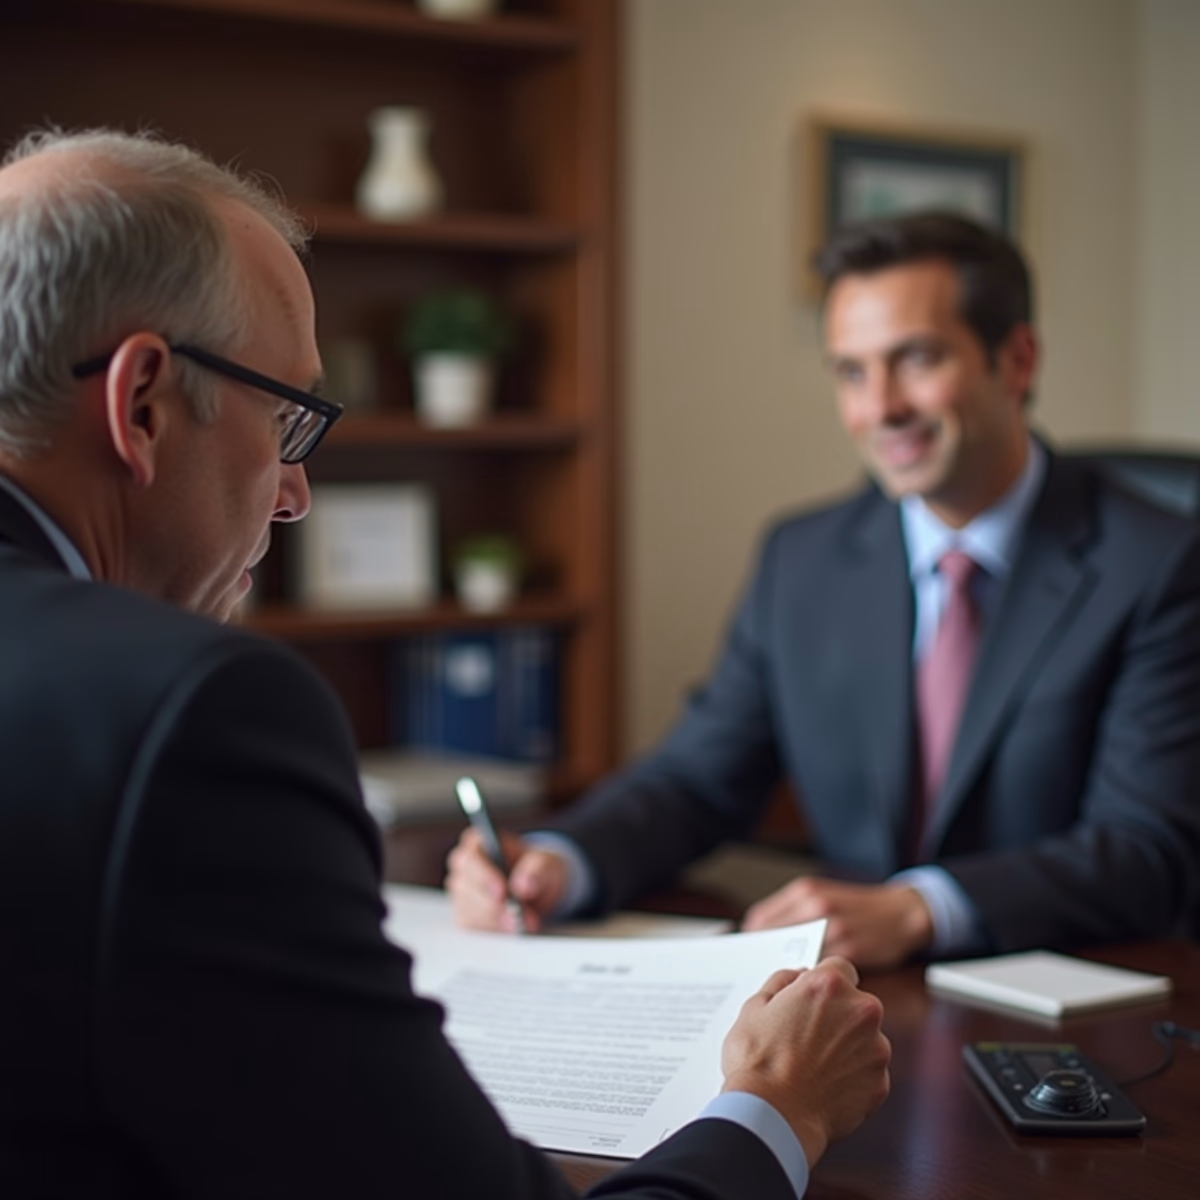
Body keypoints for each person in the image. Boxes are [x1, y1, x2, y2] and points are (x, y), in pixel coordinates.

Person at [0, 127, 890, 1198]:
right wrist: (773, 1110)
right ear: (143, 402)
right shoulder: (193, 712)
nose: (295, 492)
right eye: (287, 420)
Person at [448, 211, 1200, 970]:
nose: (880, 408)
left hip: (1087, 1012)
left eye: (916, 359)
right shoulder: (801, 559)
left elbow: (1149, 849)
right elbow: (697, 779)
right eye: (851, 371)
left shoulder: (1159, 564)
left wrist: (919, 910)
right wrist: (559, 861)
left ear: (1017, 360)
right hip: (855, 1002)